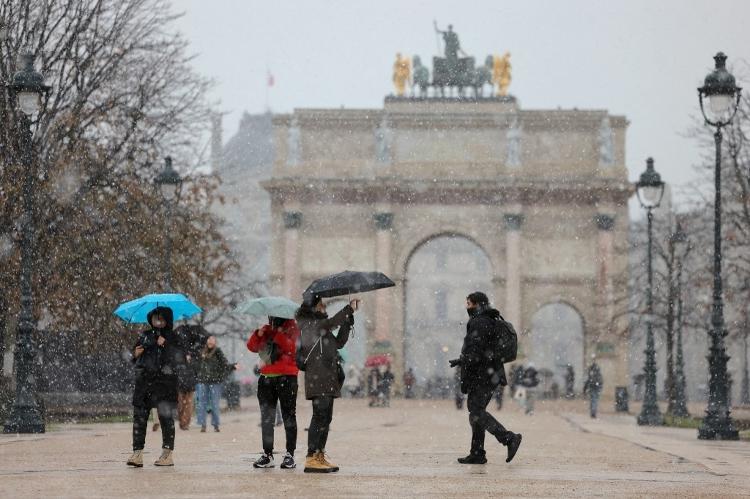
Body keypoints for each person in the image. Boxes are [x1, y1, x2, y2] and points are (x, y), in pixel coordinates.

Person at [449, 292, 522, 465]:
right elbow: (483, 349)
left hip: (481, 374)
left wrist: (463, 360)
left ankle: (508, 438)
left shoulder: (478, 322)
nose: (466, 307)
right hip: (490, 373)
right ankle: (477, 453)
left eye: (468, 303)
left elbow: (476, 350)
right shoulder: (490, 319)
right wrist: (463, 359)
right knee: (477, 412)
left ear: (476, 304)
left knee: (476, 411)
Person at [296, 295, 358, 473]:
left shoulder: (321, 326)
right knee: (319, 417)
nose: (324, 307)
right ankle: (311, 456)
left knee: (326, 418)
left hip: (328, 378)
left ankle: (319, 454)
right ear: (313, 308)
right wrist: (348, 310)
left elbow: (338, 343)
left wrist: (347, 323)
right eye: (321, 305)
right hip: (318, 378)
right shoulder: (309, 325)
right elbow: (330, 323)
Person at [127, 306, 184, 467]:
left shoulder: (174, 337)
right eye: (154, 318)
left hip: (165, 384)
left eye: (161, 318)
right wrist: (135, 354)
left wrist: (166, 345)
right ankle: (137, 453)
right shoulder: (145, 336)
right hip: (144, 383)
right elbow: (134, 357)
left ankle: (167, 454)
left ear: (167, 320)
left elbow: (181, 360)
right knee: (139, 417)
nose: (157, 321)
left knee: (166, 418)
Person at [247, 315, 301, 469]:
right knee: (267, 418)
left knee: (288, 416)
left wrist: (279, 332)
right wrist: (258, 334)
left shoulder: (293, 328)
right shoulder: (266, 328)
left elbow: (290, 348)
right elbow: (252, 347)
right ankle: (267, 454)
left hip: (287, 377)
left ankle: (290, 454)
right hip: (266, 378)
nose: (272, 319)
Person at [195, 335, 237, 433]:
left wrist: (233, 366)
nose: (210, 341)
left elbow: (225, 365)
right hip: (203, 381)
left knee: (214, 404)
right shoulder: (202, 352)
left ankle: (216, 424)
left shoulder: (218, 352)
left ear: (215, 342)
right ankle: (203, 424)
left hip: (215, 382)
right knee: (202, 404)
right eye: (209, 339)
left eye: (212, 340)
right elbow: (197, 365)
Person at [174, 324, 207, 430]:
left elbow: (197, 367)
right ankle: (183, 421)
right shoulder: (178, 352)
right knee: (181, 404)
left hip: (190, 381)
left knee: (188, 404)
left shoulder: (195, 352)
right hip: (180, 381)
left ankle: (185, 423)